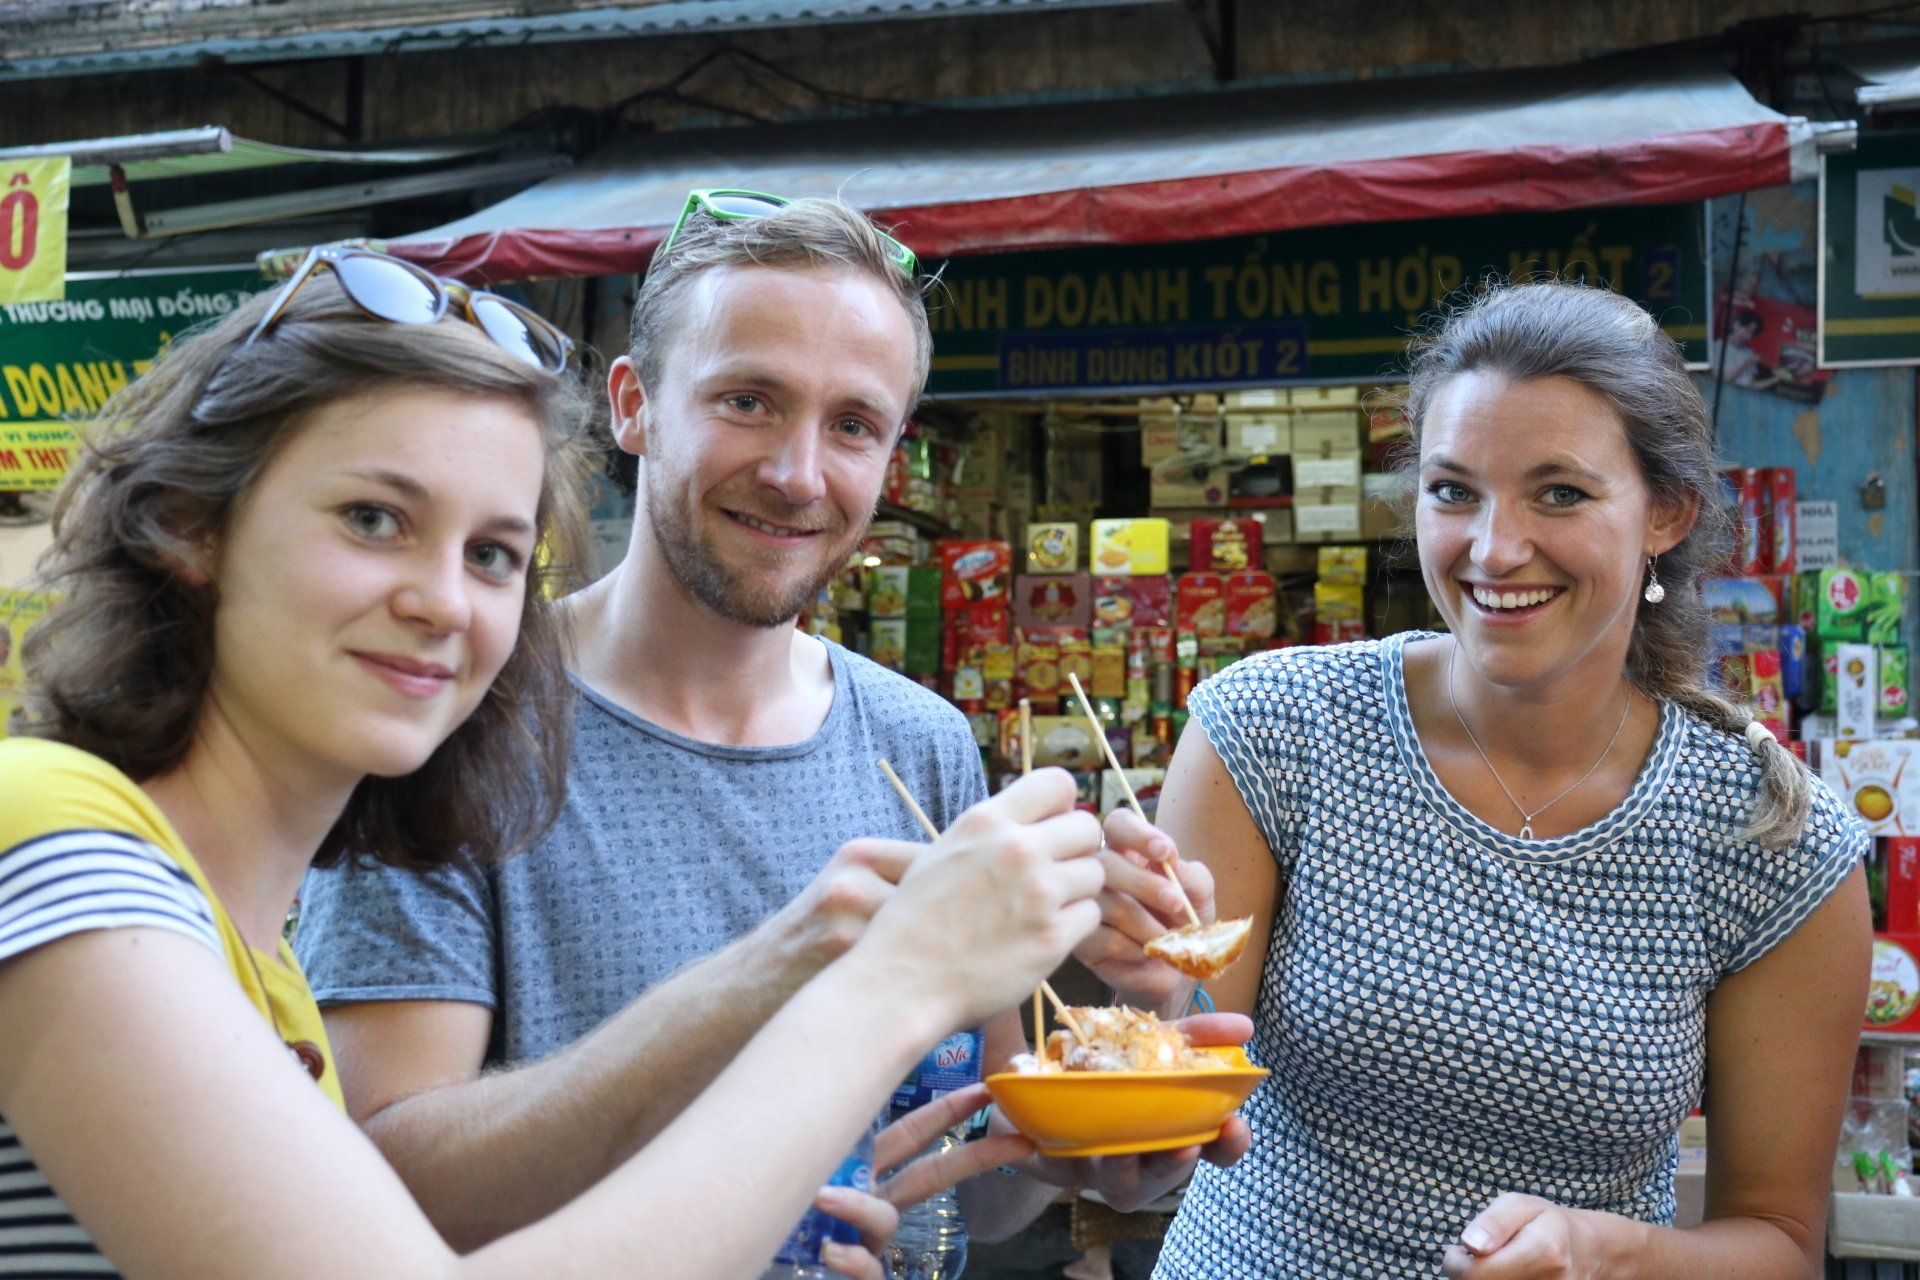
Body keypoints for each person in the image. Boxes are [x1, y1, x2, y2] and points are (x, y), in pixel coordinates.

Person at [0, 252, 1110, 1280]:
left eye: (492, 552)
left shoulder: (244, 954)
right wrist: (881, 986)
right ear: (195, 525)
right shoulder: (47, 833)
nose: (443, 601)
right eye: (373, 517)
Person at [292, 192, 1248, 1269]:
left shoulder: (918, 738)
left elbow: (954, 1180)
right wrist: (775, 976)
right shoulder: (459, 716)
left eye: (851, 424)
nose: (799, 472)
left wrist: (1090, 1127)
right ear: (634, 404)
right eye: (748, 400)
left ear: (893, 454)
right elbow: (379, 1181)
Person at [1085, 281, 1874, 1278]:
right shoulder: (1275, 731)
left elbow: (1782, 1243)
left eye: (1561, 492)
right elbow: (1142, 1168)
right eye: (1454, 490)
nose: (1495, 548)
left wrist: (1609, 1250)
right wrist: (1133, 1039)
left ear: (1666, 513)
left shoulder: (1771, 838)